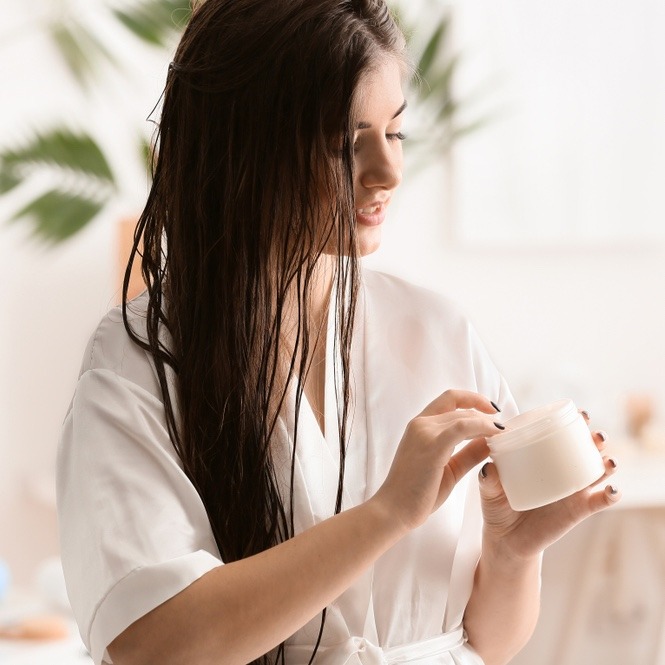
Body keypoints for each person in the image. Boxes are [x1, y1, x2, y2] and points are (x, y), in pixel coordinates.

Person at [56, 1, 621, 664]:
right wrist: (385, 514)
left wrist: (511, 548)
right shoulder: (138, 362)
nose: (387, 172)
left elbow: (485, 640)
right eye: (342, 145)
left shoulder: (436, 329)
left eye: (396, 133)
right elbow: (153, 646)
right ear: (243, 147)